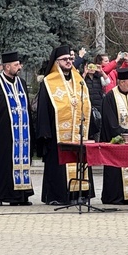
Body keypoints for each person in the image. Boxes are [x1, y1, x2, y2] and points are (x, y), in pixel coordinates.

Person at [36, 45, 96, 205]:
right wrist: (44, 132)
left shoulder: (79, 80)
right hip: (56, 134)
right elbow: (43, 109)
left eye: (70, 58)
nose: (69, 61)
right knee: (57, 166)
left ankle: (80, 194)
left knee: (79, 161)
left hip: (78, 132)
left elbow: (86, 105)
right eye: (65, 59)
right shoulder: (49, 82)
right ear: (56, 62)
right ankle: (57, 196)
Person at [0, 51, 34, 206]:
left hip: (21, 136)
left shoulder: (21, 83)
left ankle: (20, 196)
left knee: (20, 163)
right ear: (7, 66)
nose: (19, 67)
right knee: (1, 165)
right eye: (16, 65)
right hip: (0, 136)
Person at [99, 66, 128, 205]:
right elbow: (109, 121)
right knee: (116, 171)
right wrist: (123, 132)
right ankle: (115, 197)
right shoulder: (110, 97)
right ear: (122, 82)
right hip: (117, 142)